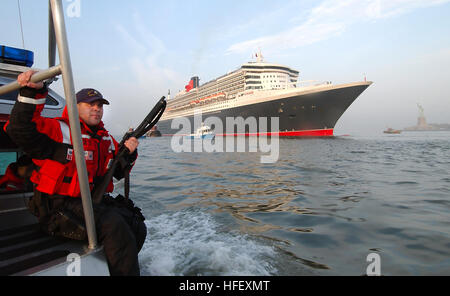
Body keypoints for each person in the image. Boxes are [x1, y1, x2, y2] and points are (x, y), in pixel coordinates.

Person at [4, 70, 147, 276]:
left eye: (100, 106)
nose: (97, 109)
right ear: (74, 106)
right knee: (114, 225)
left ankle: (115, 267)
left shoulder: (106, 139)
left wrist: (130, 154)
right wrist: (31, 92)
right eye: (90, 105)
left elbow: (118, 173)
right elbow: (19, 129)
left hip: (89, 204)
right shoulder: (57, 129)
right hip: (57, 209)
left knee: (135, 222)